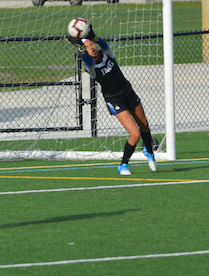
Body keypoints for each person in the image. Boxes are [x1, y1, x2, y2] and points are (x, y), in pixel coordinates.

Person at [65, 20, 157, 176]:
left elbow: (102, 43)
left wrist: (93, 37)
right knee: (134, 134)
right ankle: (123, 165)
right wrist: (82, 48)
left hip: (129, 93)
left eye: (91, 45)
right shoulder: (91, 68)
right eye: (88, 48)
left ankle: (149, 152)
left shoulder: (108, 54)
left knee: (145, 126)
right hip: (115, 100)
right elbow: (86, 60)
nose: (91, 47)